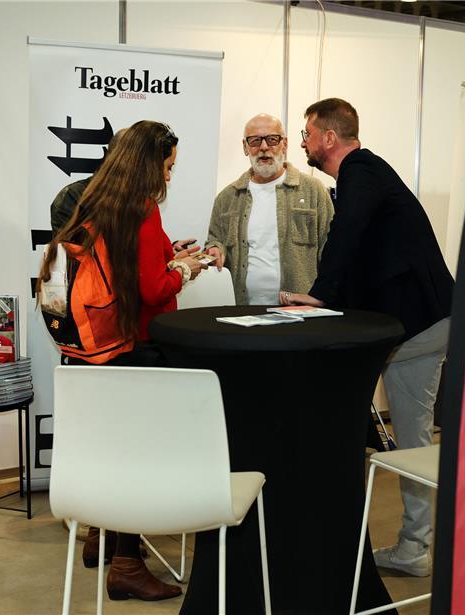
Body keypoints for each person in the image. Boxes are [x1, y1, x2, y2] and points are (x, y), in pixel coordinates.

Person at [281, 98, 453, 577]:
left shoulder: (360, 170)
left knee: (334, 412)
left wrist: (319, 295)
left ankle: (324, 538)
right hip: (427, 321)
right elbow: (363, 250)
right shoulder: (367, 175)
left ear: (328, 138)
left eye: (307, 133)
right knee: (413, 441)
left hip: (416, 326)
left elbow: (347, 234)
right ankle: (415, 549)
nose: (303, 142)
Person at [38, 119, 204, 602]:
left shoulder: (87, 200)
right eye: (168, 166)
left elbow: (124, 268)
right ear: (150, 163)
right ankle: (128, 564)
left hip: (89, 344)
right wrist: (184, 269)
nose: (169, 177)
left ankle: (100, 535)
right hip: (131, 346)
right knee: (137, 452)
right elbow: (152, 288)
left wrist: (167, 256)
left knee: (105, 443)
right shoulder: (142, 208)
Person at [204, 113, 334, 305]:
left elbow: (331, 250)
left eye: (272, 139)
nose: (264, 147)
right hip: (241, 312)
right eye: (255, 141)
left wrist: (325, 299)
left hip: (300, 313)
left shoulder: (313, 191)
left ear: (285, 144)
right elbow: (215, 241)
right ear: (245, 147)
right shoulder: (227, 198)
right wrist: (214, 248)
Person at [50, 127, 198, 251]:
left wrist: (167, 253)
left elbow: (139, 255)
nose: (167, 177)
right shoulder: (72, 197)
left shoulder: (141, 201)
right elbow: (80, 258)